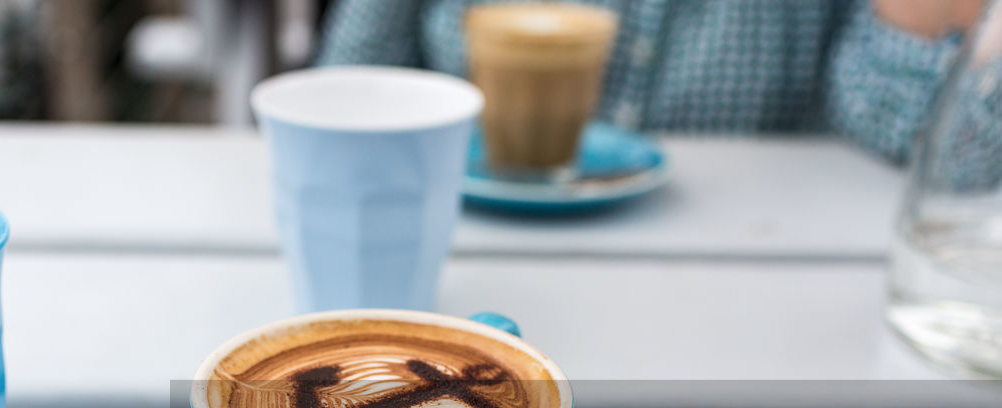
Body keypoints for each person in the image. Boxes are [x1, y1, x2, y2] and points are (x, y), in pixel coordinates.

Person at [316, 0, 988, 163]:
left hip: (750, 287)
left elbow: (949, 156)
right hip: (470, 257)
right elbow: (339, 98)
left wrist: (925, 22)